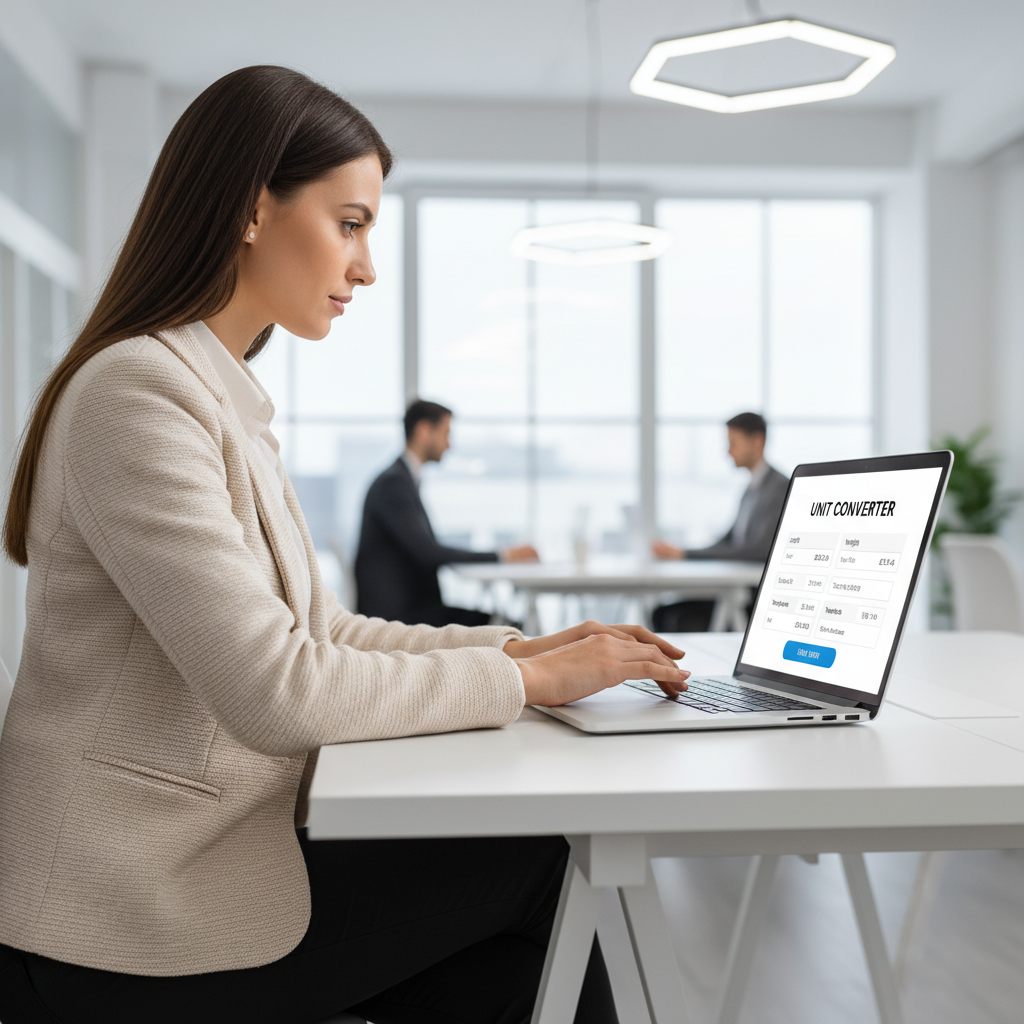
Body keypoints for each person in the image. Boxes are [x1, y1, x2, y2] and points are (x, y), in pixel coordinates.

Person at [0, 66, 691, 1024]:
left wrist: (519, 651)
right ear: (253, 210)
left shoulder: (219, 399)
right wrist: (528, 687)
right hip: (118, 903)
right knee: (541, 873)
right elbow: (276, 688)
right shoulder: (139, 397)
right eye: (352, 223)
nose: (366, 267)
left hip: (190, 851)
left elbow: (320, 628)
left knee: (506, 921)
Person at [355, 400, 538, 627]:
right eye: (446, 433)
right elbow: (429, 553)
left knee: (505, 623)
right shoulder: (394, 485)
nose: (449, 445)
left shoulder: (401, 480)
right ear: (423, 431)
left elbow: (426, 551)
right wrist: (504, 555)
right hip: (401, 618)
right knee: (507, 626)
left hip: (411, 609)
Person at [650, 412, 789, 633]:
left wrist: (685, 555)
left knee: (671, 618)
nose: (728, 451)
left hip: (753, 600)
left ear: (757, 441)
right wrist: (683, 552)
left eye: (733, 443)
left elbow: (759, 550)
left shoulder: (780, 488)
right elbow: (727, 540)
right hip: (737, 590)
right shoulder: (751, 489)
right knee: (660, 612)